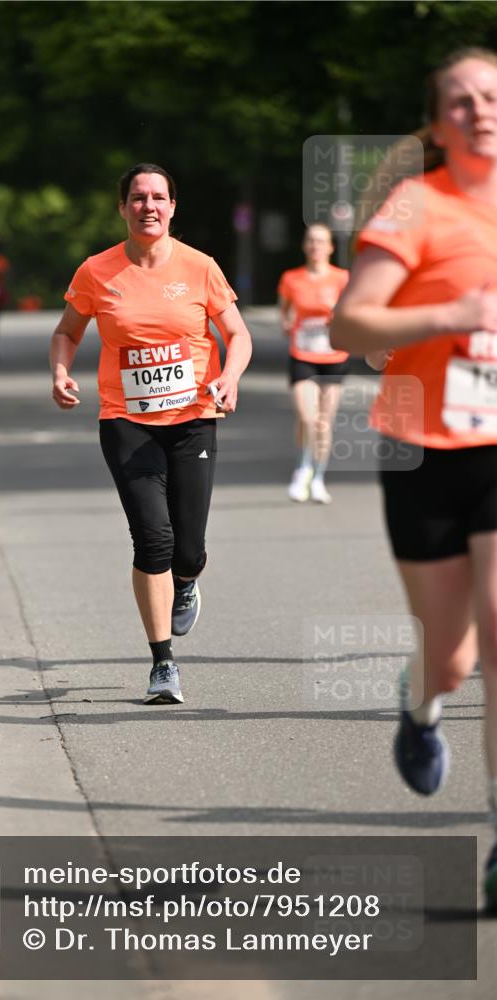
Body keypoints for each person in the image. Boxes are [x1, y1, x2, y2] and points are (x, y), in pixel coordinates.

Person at [330, 48, 497, 911]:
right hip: (425, 446)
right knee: (453, 658)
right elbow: (349, 324)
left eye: (491, 96)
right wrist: (450, 314)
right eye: (460, 101)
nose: (479, 110)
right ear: (438, 123)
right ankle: (419, 702)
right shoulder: (415, 207)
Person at [49, 163, 252, 704]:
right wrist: (60, 371)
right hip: (126, 421)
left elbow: (237, 334)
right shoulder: (97, 271)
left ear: (172, 207)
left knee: (188, 549)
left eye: (159, 197)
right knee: (152, 538)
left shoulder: (200, 267)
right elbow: (67, 332)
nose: (148, 206)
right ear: (122, 208)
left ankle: (186, 581)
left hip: (193, 421)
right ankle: (163, 663)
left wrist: (230, 377)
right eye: (138, 198)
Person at [277, 225, 349, 504]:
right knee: (307, 417)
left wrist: (337, 316)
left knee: (323, 423)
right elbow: (284, 311)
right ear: (304, 246)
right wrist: (286, 323)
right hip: (303, 356)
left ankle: (318, 477)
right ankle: (303, 468)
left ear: (330, 247)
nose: (315, 246)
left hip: (334, 358)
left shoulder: (342, 278)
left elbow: (353, 313)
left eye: (321, 241)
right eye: (311, 241)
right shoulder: (291, 278)